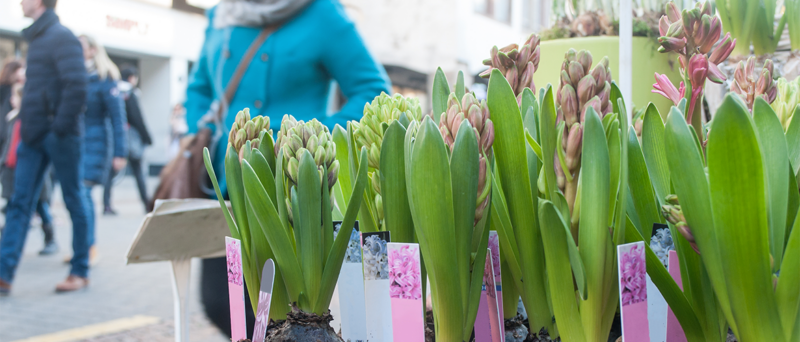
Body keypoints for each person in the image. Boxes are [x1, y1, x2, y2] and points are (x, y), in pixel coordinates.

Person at [184, 0, 390, 335]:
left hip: (291, 188)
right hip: (227, 184)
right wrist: (201, 134)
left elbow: (371, 88)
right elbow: (199, 89)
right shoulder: (221, 14)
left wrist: (310, 139)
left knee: (282, 309)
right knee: (220, 302)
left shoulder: (322, 12)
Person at [0, 0, 91, 295]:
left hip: (58, 135)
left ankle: (80, 271)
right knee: (18, 203)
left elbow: (77, 85)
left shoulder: (61, 35)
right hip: (32, 135)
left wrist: (58, 127)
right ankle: (4, 275)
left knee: (73, 198)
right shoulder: (37, 38)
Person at [76, 34, 127, 265]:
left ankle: (88, 248)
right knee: (78, 196)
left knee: (84, 193)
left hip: (97, 145)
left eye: (81, 47)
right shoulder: (78, 77)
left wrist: (120, 152)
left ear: (93, 50)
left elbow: (118, 119)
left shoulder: (105, 79)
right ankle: (82, 247)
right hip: (78, 144)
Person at [0, 83, 59, 256]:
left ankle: (50, 237)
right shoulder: (11, 118)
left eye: (15, 96)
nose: (12, 99)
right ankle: (7, 238)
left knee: (40, 206)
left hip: (30, 170)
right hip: (11, 169)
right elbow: (7, 145)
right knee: (13, 204)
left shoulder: (31, 120)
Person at [103, 65, 151, 214]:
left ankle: (106, 205)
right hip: (131, 140)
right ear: (131, 78)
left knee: (110, 174)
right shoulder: (130, 93)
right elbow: (137, 118)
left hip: (115, 139)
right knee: (139, 173)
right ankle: (147, 204)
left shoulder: (113, 90)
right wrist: (146, 137)